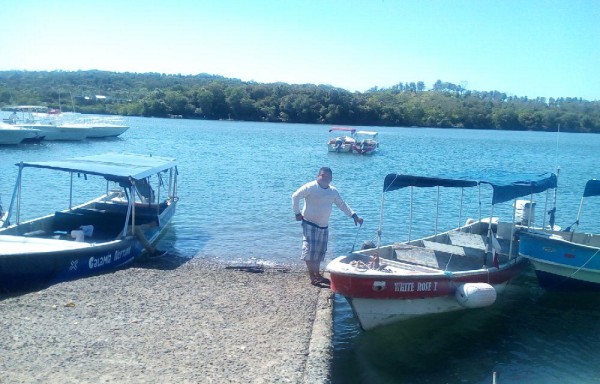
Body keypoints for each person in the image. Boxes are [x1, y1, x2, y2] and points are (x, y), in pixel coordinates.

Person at [292, 167, 363, 286]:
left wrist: (354, 215)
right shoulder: (310, 187)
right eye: (323, 176)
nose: (325, 178)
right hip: (309, 223)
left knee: (319, 252)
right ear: (318, 176)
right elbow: (295, 196)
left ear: (331, 179)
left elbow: (342, 204)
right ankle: (312, 277)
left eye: (328, 177)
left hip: (323, 226)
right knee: (310, 251)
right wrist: (297, 213)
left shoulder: (333, 191)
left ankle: (317, 275)